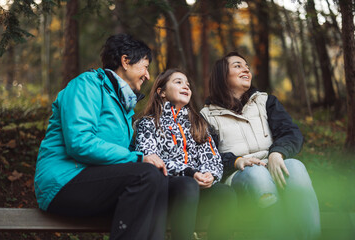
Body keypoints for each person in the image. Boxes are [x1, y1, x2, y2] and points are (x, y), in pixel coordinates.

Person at [34, 33, 168, 240]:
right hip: (63, 182)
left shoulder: (122, 105)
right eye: (145, 66)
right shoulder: (87, 85)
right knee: (146, 174)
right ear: (125, 61)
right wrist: (138, 158)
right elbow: (80, 143)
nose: (148, 75)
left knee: (161, 180)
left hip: (94, 180)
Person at [201, 51, 321, 239]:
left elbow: (291, 133)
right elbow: (207, 156)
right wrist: (236, 161)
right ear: (222, 75)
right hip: (240, 174)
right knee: (257, 175)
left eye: (247, 66)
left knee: (296, 167)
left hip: (273, 164)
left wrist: (277, 153)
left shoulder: (266, 101)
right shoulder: (207, 115)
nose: (246, 69)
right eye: (238, 65)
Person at [135, 69, 237, 240]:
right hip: (165, 191)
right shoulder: (148, 123)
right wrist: (189, 172)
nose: (185, 86)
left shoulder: (198, 124)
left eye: (188, 84)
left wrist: (209, 175)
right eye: (178, 82)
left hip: (196, 190)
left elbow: (212, 157)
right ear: (161, 92)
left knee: (225, 194)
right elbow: (150, 158)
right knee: (187, 184)